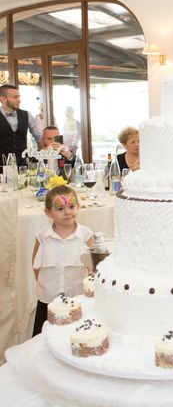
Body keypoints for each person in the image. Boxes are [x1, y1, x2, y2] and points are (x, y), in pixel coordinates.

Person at [31, 185, 94, 336]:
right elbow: (35, 264)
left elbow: (92, 266)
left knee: (73, 335)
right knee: (45, 335)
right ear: (48, 212)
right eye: (60, 209)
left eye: (71, 206)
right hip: (48, 297)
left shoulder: (86, 235)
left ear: (78, 207)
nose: (67, 212)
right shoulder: (43, 236)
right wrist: (43, 286)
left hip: (76, 297)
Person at [0, 84, 42, 166]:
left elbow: (39, 137)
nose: (19, 100)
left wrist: (43, 159)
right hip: (1, 168)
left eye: (19, 97)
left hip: (23, 166)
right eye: (15, 97)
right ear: (3, 99)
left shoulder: (27, 115)